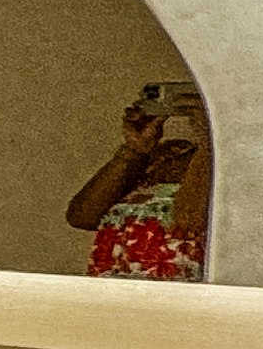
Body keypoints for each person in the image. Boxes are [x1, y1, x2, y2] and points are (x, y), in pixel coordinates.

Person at [68, 85, 212, 281]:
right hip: (110, 299)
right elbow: (81, 216)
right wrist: (135, 149)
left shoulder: (227, 168)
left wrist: (211, 141)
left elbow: (188, 223)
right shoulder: (169, 154)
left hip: (172, 302)